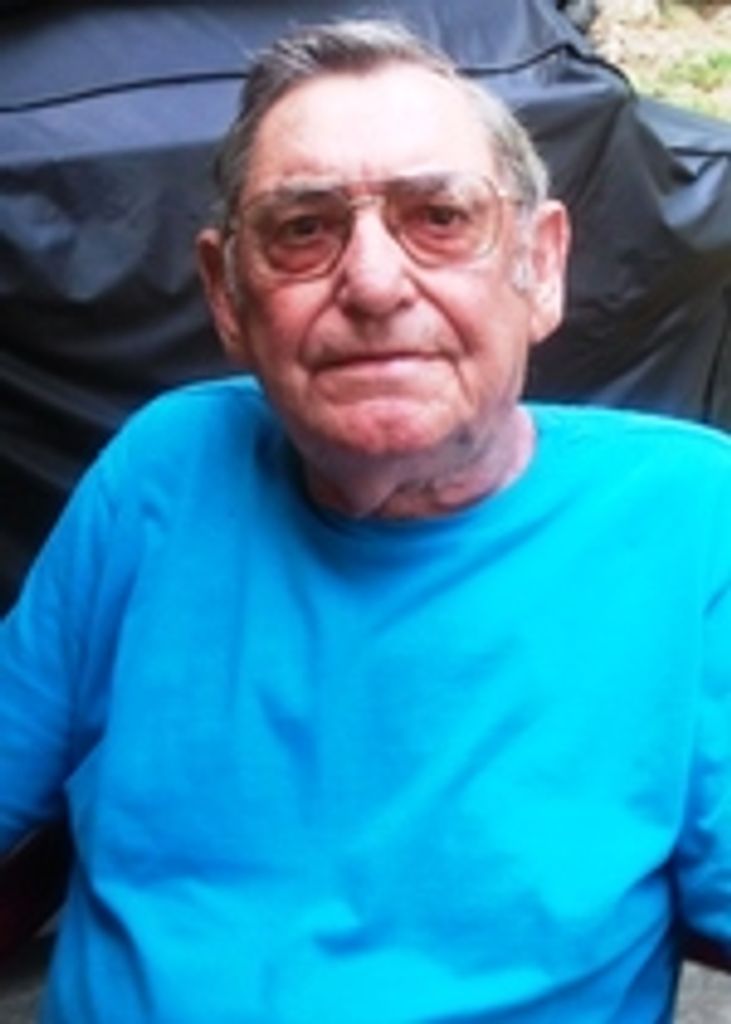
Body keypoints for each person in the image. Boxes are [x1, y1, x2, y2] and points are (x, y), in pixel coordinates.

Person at [0, 16, 729, 1024]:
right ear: (225, 295)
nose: (375, 284)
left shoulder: (686, 519)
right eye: (303, 229)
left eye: (440, 216)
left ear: (541, 265)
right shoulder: (163, 467)